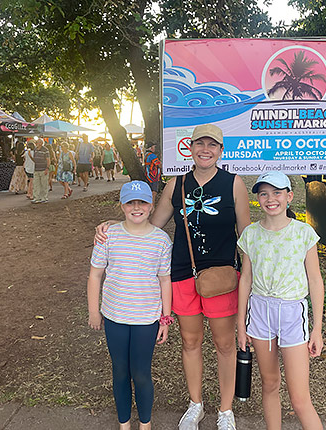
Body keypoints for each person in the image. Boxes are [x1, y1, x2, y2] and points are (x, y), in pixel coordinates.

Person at [96, 124, 250, 430]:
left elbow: (246, 235)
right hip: (182, 274)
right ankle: (196, 405)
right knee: (191, 342)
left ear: (221, 150)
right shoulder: (176, 185)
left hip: (221, 276)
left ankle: (225, 410)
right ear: (189, 148)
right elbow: (150, 225)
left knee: (224, 344)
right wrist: (117, 223)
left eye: (212, 145)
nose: (205, 150)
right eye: (200, 144)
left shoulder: (234, 184)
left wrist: (249, 277)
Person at [237, 171, 324, 430]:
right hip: (261, 314)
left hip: (291, 314)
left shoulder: (303, 233)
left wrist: (317, 329)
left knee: (299, 399)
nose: (270, 199)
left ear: (289, 196)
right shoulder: (251, 234)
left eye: (277, 192)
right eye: (263, 193)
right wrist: (241, 326)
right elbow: (245, 280)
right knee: (270, 384)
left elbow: (315, 281)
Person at [88, 180, 173, 430]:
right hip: (115, 317)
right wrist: (94, 311)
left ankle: (145, 424)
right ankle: (124, 423)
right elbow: (95, 275)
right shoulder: (108, 235)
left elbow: (165, 279)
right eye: (130, 203)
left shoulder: (161, 240)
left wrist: (165, 318)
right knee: (120, 372)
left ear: (151, 204)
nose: (137, 208)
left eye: (143, 202)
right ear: (122, 205)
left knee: (141, 373)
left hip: (146, 319)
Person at [31, 138, 50, 203]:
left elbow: (48, 159)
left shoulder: (45, 150)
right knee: (36, 184)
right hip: (36, 169)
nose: (37, 143)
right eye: (36, 142)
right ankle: (36, 198)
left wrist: (47, 168)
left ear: (41, 143)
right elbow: (34, 159)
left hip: (43, 169)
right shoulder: (35, 149)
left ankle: (44, 198)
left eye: (38, 142)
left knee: (44, 184)